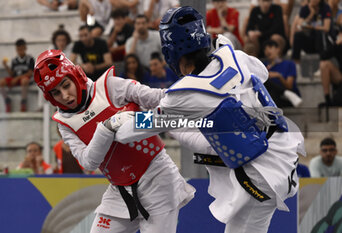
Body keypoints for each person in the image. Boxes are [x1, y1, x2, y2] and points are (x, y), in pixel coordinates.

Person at [113, 7, 305, 233]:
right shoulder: (232, 54)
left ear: (170, 52)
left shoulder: (184, 93)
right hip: (284, 150)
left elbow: (132, 130)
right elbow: (261, 73)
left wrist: (113, 123)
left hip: (262, 173)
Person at [34, 49, 194, 233]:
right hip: (120, 190)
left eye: (65, 84)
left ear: (76, 75)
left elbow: (158, 98)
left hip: (158, 177)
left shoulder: (110, 86)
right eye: (56, 92)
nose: (65, 95)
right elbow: (89, 162)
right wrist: (107, 127)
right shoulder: (64, 123)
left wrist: (197, 93)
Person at [0, 38, 35, 112]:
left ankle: (23, 101)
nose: (20, 51)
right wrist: (6, 66)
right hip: (16, 79)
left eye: (22, 49)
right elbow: (12, 74)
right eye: (18, 49)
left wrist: (17, 78)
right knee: (0, 82)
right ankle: (7, 100)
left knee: (24, 80)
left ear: (25, 48)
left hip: (26, 80)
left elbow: (30, 73)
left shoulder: (30, 59)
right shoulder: (14, 60)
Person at [263, 39, 302, 108]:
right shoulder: (264, 66)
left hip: (287, 99)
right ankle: (284, 92)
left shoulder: (289, 64)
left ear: (278, 49)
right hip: (272, 97)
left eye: (270, 47)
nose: (267, 51)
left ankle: (286, 93)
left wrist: (279, 76)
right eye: (265, 49)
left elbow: (289, 86)